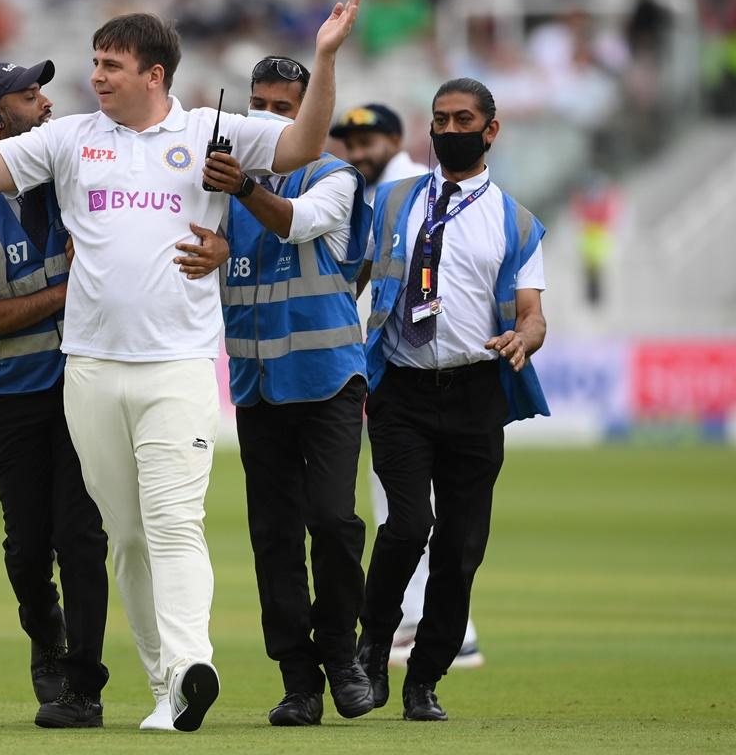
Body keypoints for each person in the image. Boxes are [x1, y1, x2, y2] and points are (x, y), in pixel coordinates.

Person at [0, 0, 361, 732]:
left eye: (112, 65)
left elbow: (301, 147)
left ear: (154, 74)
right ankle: (167, 685)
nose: (96, 76)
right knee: (127, 538)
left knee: (173, 521)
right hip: (92, 370)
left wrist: (324, 57)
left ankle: (194, 663)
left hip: (179, 366)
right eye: (95, 62)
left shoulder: (207, 130)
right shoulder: (69, 138)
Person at [356, 78, 549, 721]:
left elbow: (533, 315)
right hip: (401, 386)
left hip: (474, 391)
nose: (448, 129)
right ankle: (373, 646)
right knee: (407, 524)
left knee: (461, 546)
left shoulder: (515, 221)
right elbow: (346, 277)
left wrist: (523, 340)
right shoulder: (389, 202)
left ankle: (425, 679)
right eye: (439, 119)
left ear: (490, 130)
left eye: (462, 119)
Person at [0, 60, 111, 728]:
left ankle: (84, 686)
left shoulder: (79, 178)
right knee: (29, 548)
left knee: (82, 538)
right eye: (29, 95)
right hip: (13, 397)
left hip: (84, 384)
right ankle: (45, 633)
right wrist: (70, 290)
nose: (46, 102)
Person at [202, 55, 374, 726]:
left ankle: (341, 655)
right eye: (258, 104)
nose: (265, 118)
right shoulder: (220, 190)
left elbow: (294, 223)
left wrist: (242, 185)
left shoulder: (334, 177)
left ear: (310, 114)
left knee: (333, 521)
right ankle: (298, 681)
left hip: (328, 382)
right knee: (274, 537)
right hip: (258, 387)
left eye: (283, 108)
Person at [331, 103, 484, 670]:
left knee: (408, 508)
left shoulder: (398, 190)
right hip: (402, 366)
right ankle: (437, 624)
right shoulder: (391, 188)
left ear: (395, 139)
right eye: (347, 140)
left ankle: (437, 625)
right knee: (413, 506)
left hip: (406, 368)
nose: (355, 149)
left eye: (367, 138)